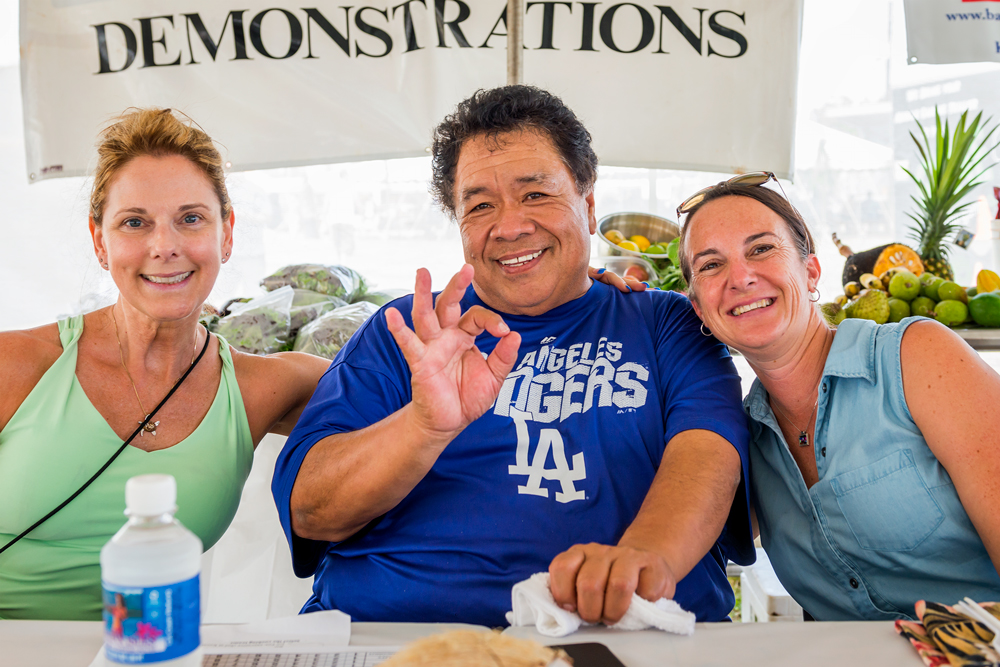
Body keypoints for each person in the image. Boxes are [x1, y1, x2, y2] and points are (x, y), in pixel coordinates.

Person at [271, 85, 754, 627]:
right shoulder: (406, 330)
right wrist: (423, 426)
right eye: (479, 206)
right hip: (396, 639)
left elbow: (709, 457)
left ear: (588, 206)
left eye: (536, 195)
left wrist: (641, 560)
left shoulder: (665, 323)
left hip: (618, 636)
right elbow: (311, 510)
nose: (509, 226)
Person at [0, 108, 329, 620]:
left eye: (190, 218)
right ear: (99, 241)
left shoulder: (263, 388)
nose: (165, 247)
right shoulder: (17, 365)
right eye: (135, 223)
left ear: (226, 233)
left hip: (150, 652)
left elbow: (398, 397)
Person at [672, 172, 1000, 620]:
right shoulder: (742, 435)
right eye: (711, 265)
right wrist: (596, 304)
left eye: (762, 249)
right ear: (699, 310)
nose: (741, 277)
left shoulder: (915, 357)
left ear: (811, 273)